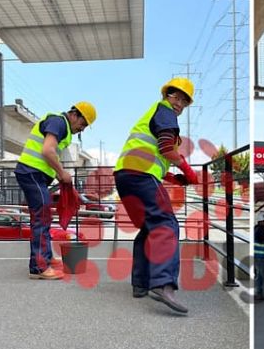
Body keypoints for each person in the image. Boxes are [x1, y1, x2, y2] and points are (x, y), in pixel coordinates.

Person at [114, 77, 199, 314]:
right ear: (166, 95)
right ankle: (162, 283)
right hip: (141, 175)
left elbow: (154, 155)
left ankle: (140, 284)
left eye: (184, 101)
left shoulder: (153, 113)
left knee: (149, 227)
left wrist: (172, 178)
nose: (179, 103)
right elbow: (165, 149)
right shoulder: (164, 111)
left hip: (126, 175)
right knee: (166, 224)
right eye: (176, 97)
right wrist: (188, 170)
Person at [15, 102, 96, 280]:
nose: (81, 129)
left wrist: (58, 175)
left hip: (34, 174)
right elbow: (47, 150)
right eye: (82, 124)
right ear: (74, 114)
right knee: (41, 218)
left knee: (44, 217)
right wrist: (61, 172)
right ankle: (38, 267)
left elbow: (49, 153)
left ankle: (46, 258)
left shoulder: (61, 127)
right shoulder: (58, 123)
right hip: (31, 173)